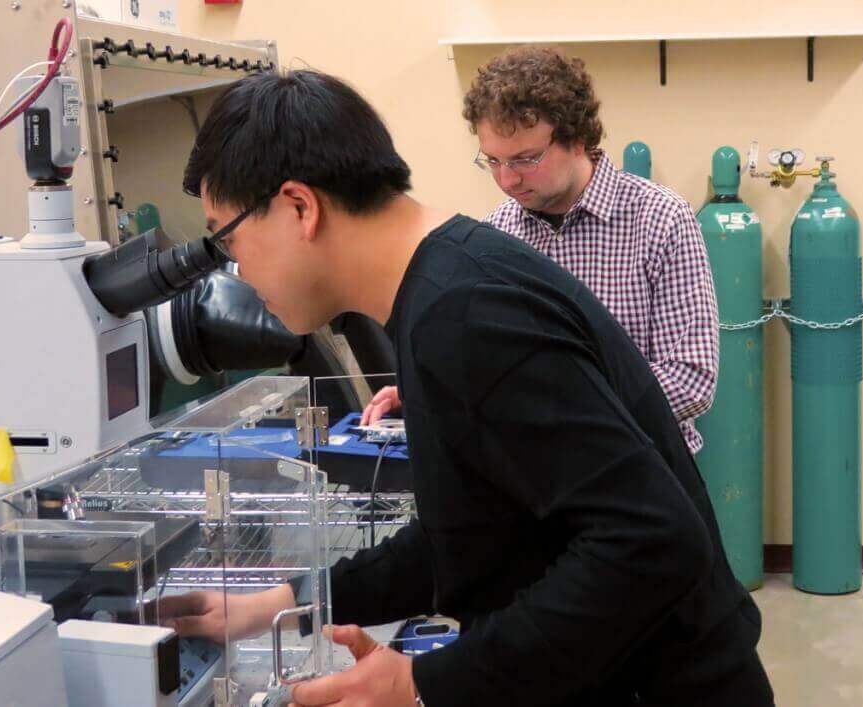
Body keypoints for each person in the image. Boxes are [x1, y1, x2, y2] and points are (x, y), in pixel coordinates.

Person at [162, 68, 773, 706]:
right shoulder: (450, 284)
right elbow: (468, 535)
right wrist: (284, 602)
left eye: (228, 235)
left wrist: (424, 684)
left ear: (299, 207)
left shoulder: (468, 315)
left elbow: (653, 542)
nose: (238, 266)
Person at [364, 46, 719, 456]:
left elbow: (690, 381)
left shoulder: (660, 219)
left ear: (579, 138)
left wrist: (554, 410)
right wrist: (429, 392)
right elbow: (490, 367)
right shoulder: (498, 231)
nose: (507, 179)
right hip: (539, 488)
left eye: (526, 159)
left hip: (647, 476)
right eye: (492, 161)